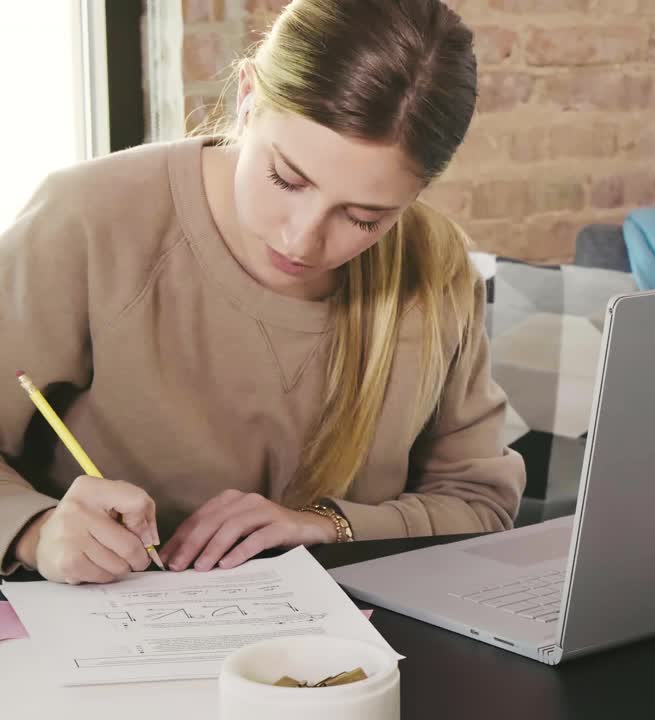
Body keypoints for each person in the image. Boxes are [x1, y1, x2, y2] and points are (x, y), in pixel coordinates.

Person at [0, 0, 525, 585]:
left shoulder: (435, 268)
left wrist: (330, 527)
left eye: (364, 217)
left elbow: (481, 506)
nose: (302, 239)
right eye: (287, 179)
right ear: (248, 96)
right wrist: (35, 529)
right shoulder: (89, 219)